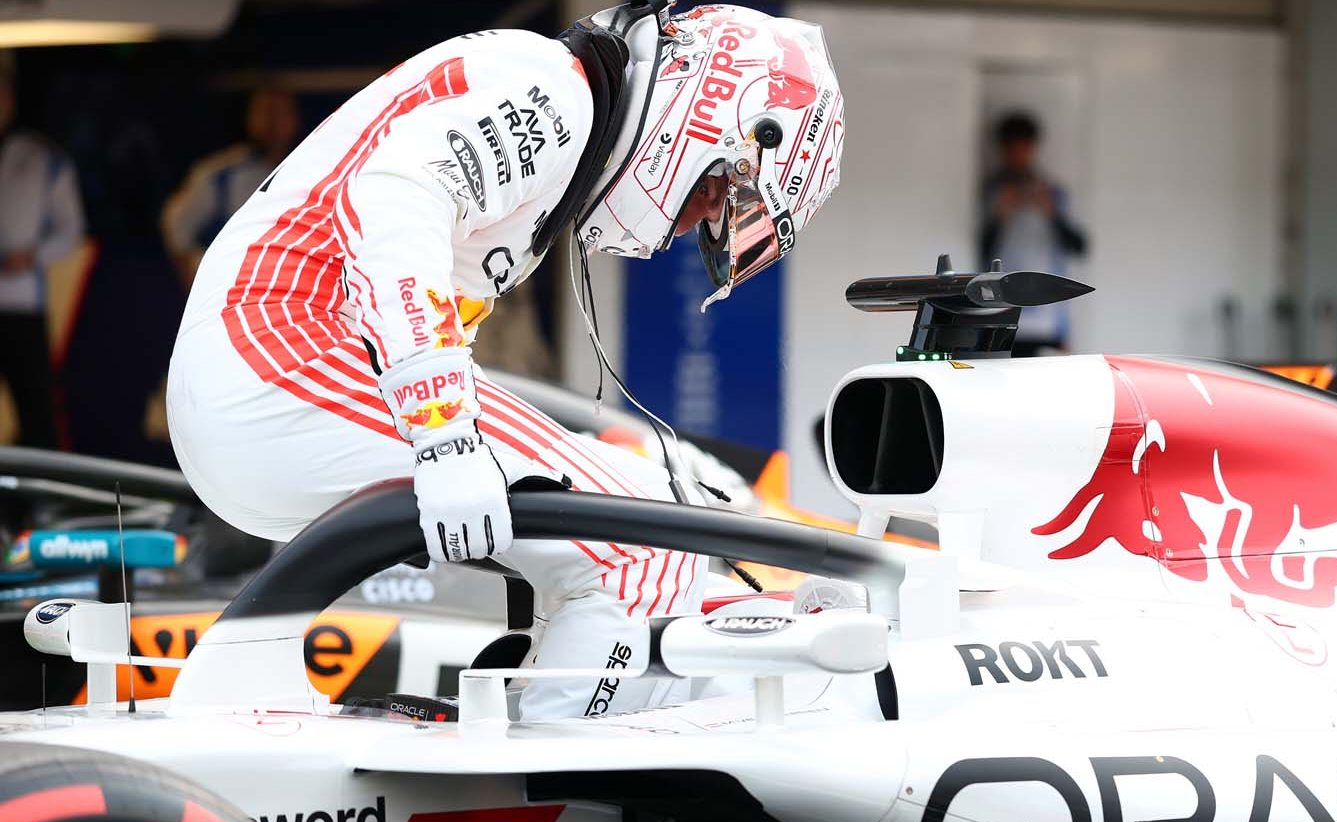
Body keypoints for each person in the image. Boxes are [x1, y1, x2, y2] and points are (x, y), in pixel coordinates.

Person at [167, 2, 844, 718]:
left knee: (646, 522)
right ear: (710, 110)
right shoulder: (555, 95)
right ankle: (543, 794)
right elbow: (395, 197)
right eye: (716, 191)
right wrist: (444, 430)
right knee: (643, 544)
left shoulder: (555, 106)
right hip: (282, 351)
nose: (691, 224)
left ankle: (538, 730)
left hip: (274, 367)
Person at [0, 60, 86, 450]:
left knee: (35, 407)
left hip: (21, 301)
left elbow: (72, 229)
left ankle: (43, 502)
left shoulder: (40, 158)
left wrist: (32, 256)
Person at [161, 87, 301, 286]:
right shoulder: (219, 174)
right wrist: (197, 283)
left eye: (281, 113)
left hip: (285, 292)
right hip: (228, 295)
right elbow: (175, 228)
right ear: (249, 119)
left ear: (295, 120)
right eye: (265, 112)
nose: (272, 123)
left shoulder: (309, 171)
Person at [979, 112, 1085, 355]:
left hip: (1047, 320)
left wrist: (1052, 214)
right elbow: (975, 250)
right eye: (1012, 149)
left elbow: (1079, 247)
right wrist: (999, 217)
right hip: (1000, 315)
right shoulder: (991, 192)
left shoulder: (1052, 192)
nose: (1018, 156)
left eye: (1023, 148)